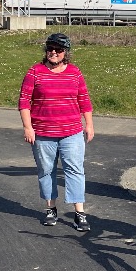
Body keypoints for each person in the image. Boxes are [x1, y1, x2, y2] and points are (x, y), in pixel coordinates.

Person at [19, 32, 95, 232]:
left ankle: (79, 212)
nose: (53, 52)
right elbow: (24, 102)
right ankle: (50, 209)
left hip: (72, 132)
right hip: (43, 133)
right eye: (50, 49)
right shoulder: (34, 72)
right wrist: (28, 127)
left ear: (65, 53)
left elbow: (84, 100)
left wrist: (89, 124)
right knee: (46, 171)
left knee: (75, 171)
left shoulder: (75, 73)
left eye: (58, 50)